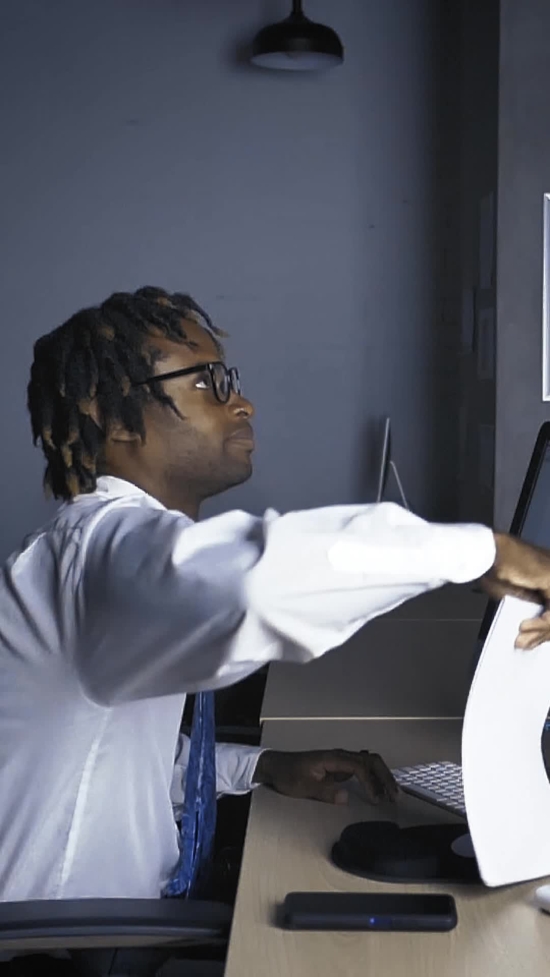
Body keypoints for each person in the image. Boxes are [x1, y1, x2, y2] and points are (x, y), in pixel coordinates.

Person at [2, 286, 550, 972]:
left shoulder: (100, 561)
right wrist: (484, 553)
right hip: (62, 950)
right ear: (112, 419)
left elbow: (111, 757)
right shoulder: (100, 553)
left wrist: (260, 767)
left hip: (99, 934)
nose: (242, 403)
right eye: (208, 381)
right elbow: (252, 583)